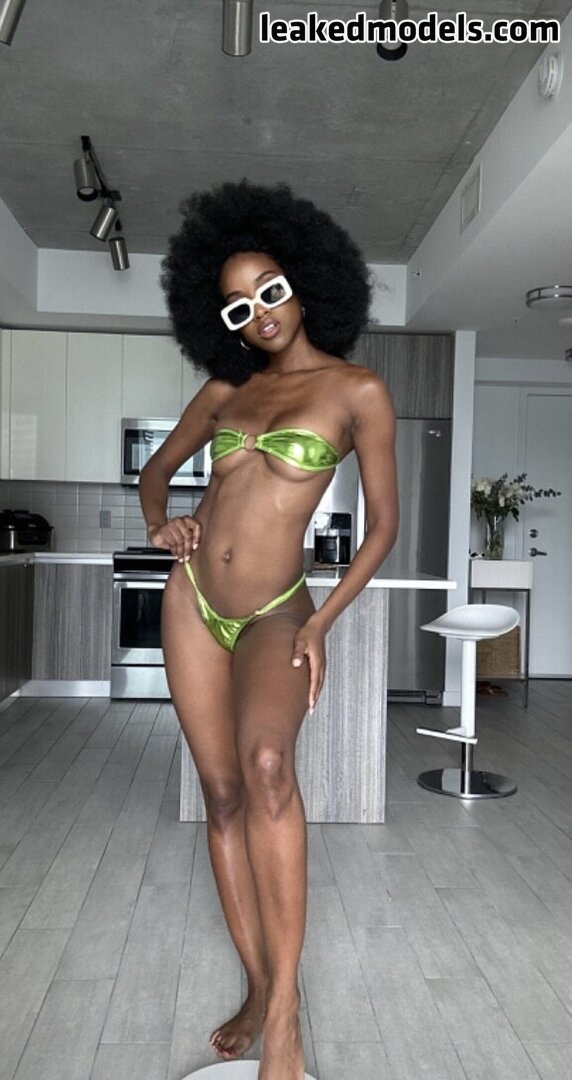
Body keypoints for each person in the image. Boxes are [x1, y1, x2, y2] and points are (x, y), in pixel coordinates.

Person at [138, 178, 399, 1080]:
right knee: (220, 795)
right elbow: (157, 473)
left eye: (272, 288)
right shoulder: (225, 390)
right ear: (225, 323)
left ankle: (284, 1016)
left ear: (304, 282)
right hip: (192, 601)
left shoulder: (357, 390)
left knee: (266, 767)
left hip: (277, 608)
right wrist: (161, 524)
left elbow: (383, 529)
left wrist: (321, 621)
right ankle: (257, 987)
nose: (262, 313)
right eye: (239, 306)